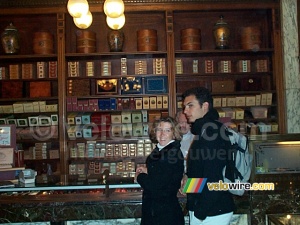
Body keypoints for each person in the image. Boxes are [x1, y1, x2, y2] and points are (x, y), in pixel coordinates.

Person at [181, 87, 235, 225]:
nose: (185, 111)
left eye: (190, 106)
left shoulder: (211, 132)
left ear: (205, 106)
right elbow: (200, 172)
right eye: (184, 107)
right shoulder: (206, 130)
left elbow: (214, 178)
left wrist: (199, 213)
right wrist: (188, 182)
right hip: (206, 209)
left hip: (213, 211)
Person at [135, 116, 185, 225]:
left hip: (164, 216)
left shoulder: (171, 153)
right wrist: (148, 170)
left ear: (174, 133)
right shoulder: (163, 149)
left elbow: (154, 185)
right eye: (159, 130)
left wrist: (139, 176)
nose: (162, 134)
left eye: (167, 130)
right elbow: (161, 172)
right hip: (160, 212)